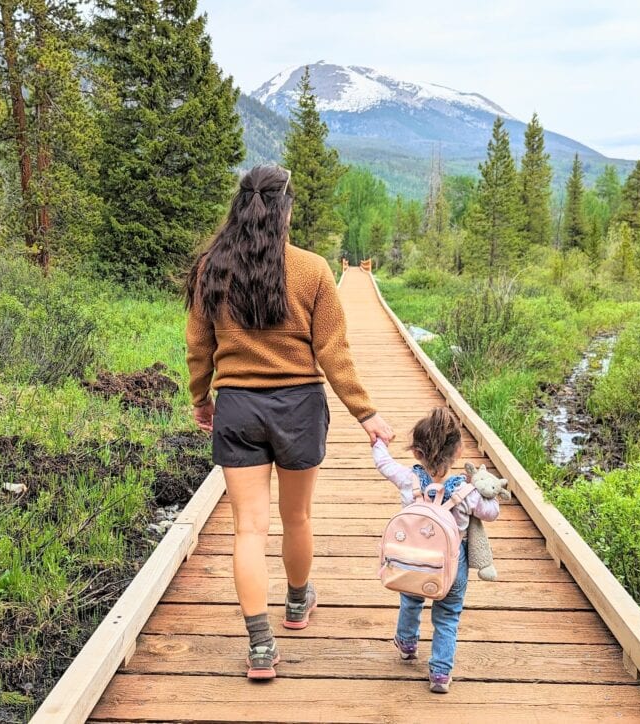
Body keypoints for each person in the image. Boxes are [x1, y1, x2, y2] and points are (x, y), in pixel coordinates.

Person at [185, 164, 395, 679]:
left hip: (237, 407)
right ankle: (298, 602)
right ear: (286, 210)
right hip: (299, 408)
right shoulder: (312, 269)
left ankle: (260, 645)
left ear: (240, 206)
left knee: (248, 529)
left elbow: (198, 346)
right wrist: (365, 412)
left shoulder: (211, 267)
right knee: (297, 516)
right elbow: (333, 351)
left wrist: (201, 398)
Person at [372, 407, 500, 693]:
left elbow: (383, 463)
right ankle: (440, 673)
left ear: (417, 452)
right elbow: (492, 513)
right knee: (448, 615)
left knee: (411, 599)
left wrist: (379, 441)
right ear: (459, 451)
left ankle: (407, 644)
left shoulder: (408, 479)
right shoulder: (466, 492)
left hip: (412, 559)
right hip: (453, 564)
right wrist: (487, 491)